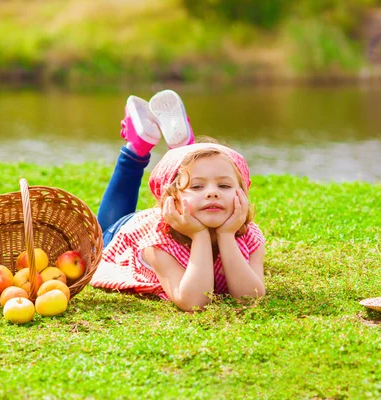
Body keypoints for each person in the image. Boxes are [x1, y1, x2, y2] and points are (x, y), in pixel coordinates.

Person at [90, 90, 266, 311]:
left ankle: (180, 155)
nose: (213, 193)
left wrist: (226, 235)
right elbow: (195, 302)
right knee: (98, 236)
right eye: (197, 186)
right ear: (172, 199)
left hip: (179, 211)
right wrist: (200, 235)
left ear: (242, 194)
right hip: (127, 231)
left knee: (192, 172)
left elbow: (250, 298)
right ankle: (136, 148)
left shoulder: (250, 236)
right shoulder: (157, 243)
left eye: (224, 185)